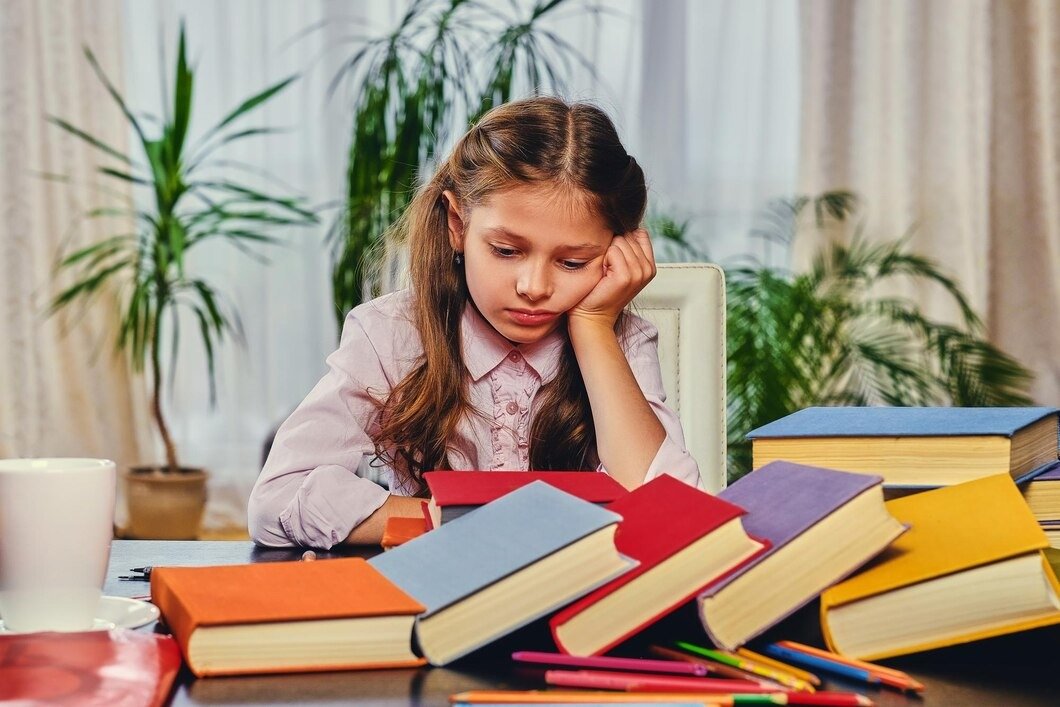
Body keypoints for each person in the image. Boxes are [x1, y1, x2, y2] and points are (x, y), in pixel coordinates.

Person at [248, 96, 701, 548]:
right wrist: (459, 522)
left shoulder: (617, 339)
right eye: (506, 251)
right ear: (457, 224)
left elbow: (669, 511)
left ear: (614, 256)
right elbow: (277, 498)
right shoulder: (391, 333)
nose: (534, 286)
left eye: (573, 262)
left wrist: (593, 328)